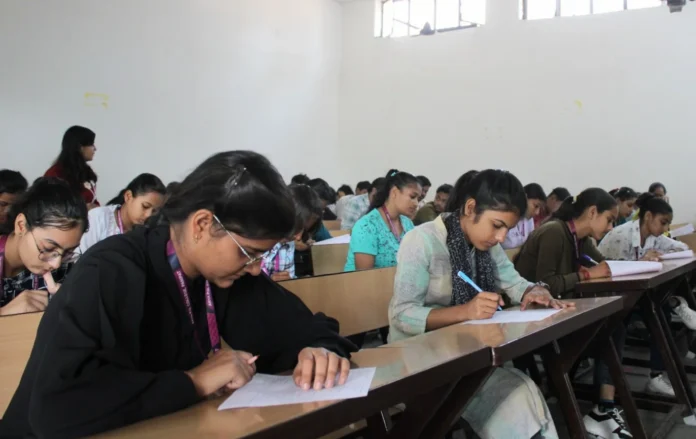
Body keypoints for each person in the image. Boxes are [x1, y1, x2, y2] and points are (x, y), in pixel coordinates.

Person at [1, 151, 355, 438]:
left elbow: (307, 328)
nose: (254, 267)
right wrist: (194, 382)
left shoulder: (225, 275)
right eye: (248, 252)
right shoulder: (111, 271)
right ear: (202, 225)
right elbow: (56, 410)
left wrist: (320, 351)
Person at [390, 169, 570, 439]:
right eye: (497, 225)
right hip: (419, 363)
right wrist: (464, 312)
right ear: (470, 207)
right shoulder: (422, 241)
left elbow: (514, 283)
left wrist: (535, 292)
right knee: (514, 394)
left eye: (507, 229)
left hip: (469, 356)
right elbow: (402, 314)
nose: (500, 237)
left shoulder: (487, 246)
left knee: (522, 389)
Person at [514, 189, 638, 438]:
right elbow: (544, 285)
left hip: (557, 313)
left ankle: (603, 407)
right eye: (609, 219)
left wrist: (638, 263)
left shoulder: (578, 238)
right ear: (592, 212)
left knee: (614, 326)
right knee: (609, 330)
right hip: (528, 319)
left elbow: (605, 267)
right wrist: (586, 275)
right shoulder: (554, 232)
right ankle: (596, 405)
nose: (612, 226)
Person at [0, 178, 87, 317]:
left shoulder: (67, 267)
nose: (56, 264)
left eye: (68, 252)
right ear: (21, 226)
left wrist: (69, 304)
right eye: (48, 249)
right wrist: (3, 314)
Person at [344, 171, 420, 272]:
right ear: (394, 192)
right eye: (412, 197)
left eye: (418, 199)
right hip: (367, 285)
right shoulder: (367, 225)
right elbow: (364, 276)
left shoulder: (407, 223)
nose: (416, 203)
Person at [78, 173, 167, 254]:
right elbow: (81, 259)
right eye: (145, 206)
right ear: (128, 196)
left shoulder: (148, 231)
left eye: (154, 211)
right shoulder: (99, 217)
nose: (148, 215)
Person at [262, 184, 323, 281]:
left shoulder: (288, 244)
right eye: (296, 229)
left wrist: (294, 281)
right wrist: (268, 283)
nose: (298, 237)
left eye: (304, 231)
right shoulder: (258, 239)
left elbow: (288, 279)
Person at [45, 126, 100, 208]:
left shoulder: (86, 172)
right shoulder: (55, 173)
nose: (95, 148)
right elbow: (52, 206)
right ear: (80, 147)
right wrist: (83, 209)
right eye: (91, 144)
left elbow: (93, 201)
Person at [502, 183, 546, 249]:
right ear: (524, 197)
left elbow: (529, 244)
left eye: (540, 208)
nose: (537, 212)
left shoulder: (529, 219)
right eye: (536, 206)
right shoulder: (505, 213)